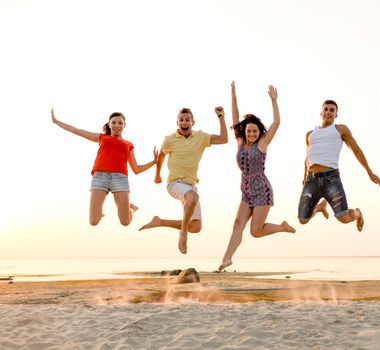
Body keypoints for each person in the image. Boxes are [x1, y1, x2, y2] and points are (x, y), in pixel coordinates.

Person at [217, 82, 296, 272]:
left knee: (255, 231)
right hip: (246, 191)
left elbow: (276, 123)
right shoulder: (239, 142)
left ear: (259, 132)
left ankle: (282, 227)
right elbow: (235, 117)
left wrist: (274, 101)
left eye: (254, 131)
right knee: (238, 224)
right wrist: (233, 96)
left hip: (262, 190)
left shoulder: (262, 143)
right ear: (244, 131)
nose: (251, 133)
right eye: (249, 131)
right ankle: (227, 258)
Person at [139, 106, 227, 254]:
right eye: (181, 120)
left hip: (191, 185)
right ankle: (183, 234)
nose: (184, 122)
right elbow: (161, 156)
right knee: (193, 198)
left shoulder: (201, 137)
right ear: (177, 122)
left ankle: (160, 221)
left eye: (187, 120)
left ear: (193, 122)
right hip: (174, 183)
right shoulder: (170, 140)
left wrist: (221, 116)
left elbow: (223, 139)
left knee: (196, 227)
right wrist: (157, 175)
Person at [51, 109, 158, 226]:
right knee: (93, 221)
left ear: (124, 125)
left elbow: (136, 169)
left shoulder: (128, 145)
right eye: (114, 122)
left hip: (120, 179)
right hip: (100, 178)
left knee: (125, 222)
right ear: (109, 124)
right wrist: (56, 121)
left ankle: (132, 208)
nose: (116, 125)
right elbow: (76, 130)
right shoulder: (102, 138)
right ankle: (99, 212)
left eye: (120, 123)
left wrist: (153, 162)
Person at [297, 99, 380, 231]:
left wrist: (369, 172)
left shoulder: (340, 129)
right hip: (311, 179)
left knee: (343, 217)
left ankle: (358, 213)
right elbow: (307, 157)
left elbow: (357, 150)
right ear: (321, 113)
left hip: (331, 179)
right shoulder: (310, 134)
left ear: (336, 115)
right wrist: (304, 177)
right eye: (326, 109)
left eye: (332, 110)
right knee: (302, 219)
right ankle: (320, 207)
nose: (328, 112)